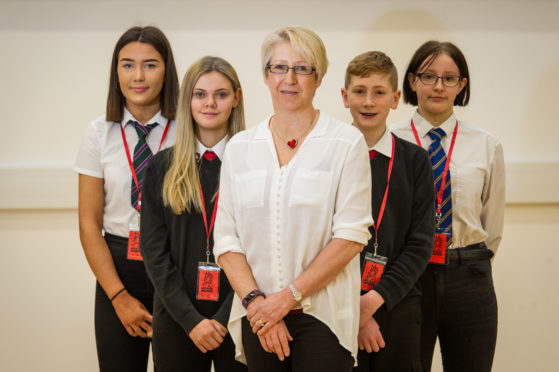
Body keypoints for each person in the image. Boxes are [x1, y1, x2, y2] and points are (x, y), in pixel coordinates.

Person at [213, 26, 373, 372]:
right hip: (258, 315)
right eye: (279, 68)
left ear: (319, 77)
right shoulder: (240, 148)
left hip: (323, 317)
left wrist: (285, 300)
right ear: (266, 76)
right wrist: (258, 304)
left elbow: (351, 237)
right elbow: (226, 239)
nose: (290, 79)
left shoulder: (346, 143)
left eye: (302, 68)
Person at [391, 41, 505, 372]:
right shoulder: (390, 141)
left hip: (468, 275)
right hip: (408, 277)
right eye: (428, 76)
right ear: (412, 81)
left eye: (449, 78)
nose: (438, 86)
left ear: (462, 85)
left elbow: (493, 224)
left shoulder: (486, 144)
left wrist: (469, 260)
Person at [74, 26, 179, 371]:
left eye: (150, 65)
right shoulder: (98, 132)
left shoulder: (188, 129)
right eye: (127, 65)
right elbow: (89, 224)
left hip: (174, 263)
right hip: (118, 266)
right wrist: (118, 297)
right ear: (115, 72)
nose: (138, 76)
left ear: (167, 71)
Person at [139, 56, 248, 372]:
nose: (210, 103)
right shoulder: (162, 166)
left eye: (221, 94)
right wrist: (191, 320)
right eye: (200, 94)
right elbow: (154, 253)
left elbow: (259, 249)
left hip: (240, 313)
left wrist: (226, 316)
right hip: (177, 318)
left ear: (236, 98)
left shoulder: (255, 164)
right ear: (186, 100)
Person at [341, 51, 435, 371]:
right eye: (359, 91)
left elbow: (420, 243)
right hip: (337, 306)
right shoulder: (327, 157)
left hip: (397, 303)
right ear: (344, 96)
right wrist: (355, 310)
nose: (368, 101)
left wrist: (371, 302)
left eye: (379, 92)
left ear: (395, 99)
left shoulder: (414, 161)